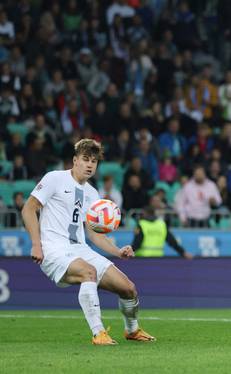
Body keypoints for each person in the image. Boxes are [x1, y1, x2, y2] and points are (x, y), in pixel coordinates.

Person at [21, 139, 155, 345]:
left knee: (128, 288)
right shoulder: (54, 179)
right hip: (54, 249)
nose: (90, 164)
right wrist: (36, 244)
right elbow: (28, 209)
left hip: (80, 249)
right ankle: (98, 333)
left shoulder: (92, 194)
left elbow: (95, 235)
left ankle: (132, 330)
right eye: (85, 159)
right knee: (88, 272)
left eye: (94, 161)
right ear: (75, 160)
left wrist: (118, 251)